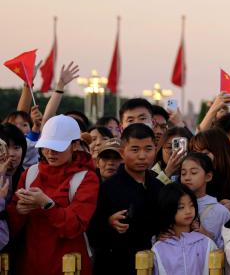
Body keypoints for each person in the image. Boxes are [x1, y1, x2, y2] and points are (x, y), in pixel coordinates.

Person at [7, 114, 99, 275]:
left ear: (75, 145)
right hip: (30, 265)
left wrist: (47, 205)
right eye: (46, 146)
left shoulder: (86, 177)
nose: (50, 153)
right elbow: (10, 227)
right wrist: (19, 211)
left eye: (58, 148)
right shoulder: (31, 173)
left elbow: (74, 226)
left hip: (69, 266)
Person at [88, 123, 164, 273]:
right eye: (135, 150)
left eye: (148, 149)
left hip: (154, 264)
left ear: (155, 150)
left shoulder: (159, 187)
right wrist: (108, 222)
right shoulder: (107, 188)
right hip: (115, 266)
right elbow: (92, 232)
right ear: (122, 153)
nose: (142, 156)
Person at [151, 183, 216, 275]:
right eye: (181, 207)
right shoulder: (158, 248)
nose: (188, 211)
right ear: (167, 210)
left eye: (192, 205)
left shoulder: (206, 243)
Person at [180, 153, 230, 249]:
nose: (187, 177)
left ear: (208, 176)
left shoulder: (221, 212)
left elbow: (229, 248)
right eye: (183, 173)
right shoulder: (173, 205)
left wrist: (206, 235)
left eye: (193, 172)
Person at [190, 128, 230, 210]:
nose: (199, 159)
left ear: (220, 150)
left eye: (205, 154)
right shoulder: (194, 179)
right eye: (196, 155)